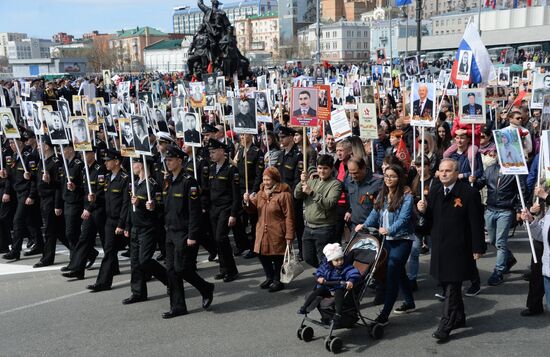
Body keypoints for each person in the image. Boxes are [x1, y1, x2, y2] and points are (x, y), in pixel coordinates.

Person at [417, 158, 486, 342]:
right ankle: (460, 317)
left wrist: (478, 247)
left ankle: (446, 324)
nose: (444, 174)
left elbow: (476, 222)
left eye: (448, 171)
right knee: (448, 284)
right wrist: (422, 211)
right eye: (441, 171)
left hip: (459, 248)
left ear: (456, 173)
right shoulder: (436, 190)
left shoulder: (469, 193)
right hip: (440, 246)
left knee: (452, 286)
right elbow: (430, 220)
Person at [355, 164, 416, 326]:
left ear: (400, 178)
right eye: (387, 176)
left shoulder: (407, 197)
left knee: (392, 273)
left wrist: (389, 230)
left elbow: (403, 220)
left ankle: (385, 314)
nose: (389, 179)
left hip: (402, 240)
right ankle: (409, 302)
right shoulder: (383, 194)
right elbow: (375, 213)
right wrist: (364, 225)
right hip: (387, 240)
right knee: (398, 271)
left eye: (393, 176)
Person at [162, 145, 214, 318]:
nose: (167, 163)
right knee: (171, 270)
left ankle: (205, 287)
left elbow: (194, 211)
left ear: (180, 161)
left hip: (184, 232)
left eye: (170, 160)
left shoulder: (188, 181)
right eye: (166, 160)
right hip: (170, 230)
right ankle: (178, 306)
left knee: (182, 268)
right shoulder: (169, 179)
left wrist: (193, 235)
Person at [122, 156, 168, 305]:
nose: (133, 165)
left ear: (142, 165)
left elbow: (161, 207)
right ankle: (138, 292)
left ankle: (169, 280)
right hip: (135, 227)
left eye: (135, 162)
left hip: (148, 228)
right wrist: (127, 226)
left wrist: (149, 205)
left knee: (144, 260)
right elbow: (130, 209)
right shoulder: (134, 184)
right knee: (135, 262)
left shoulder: (153, 185)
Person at [243, 166, 295, 292]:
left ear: (275, 180)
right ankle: (269, 276)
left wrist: (289, 235)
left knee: (277, 256)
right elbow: (252, 209)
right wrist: (247, 201)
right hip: (262, 230)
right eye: (264, 179)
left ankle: (278, 279)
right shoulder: (260, 193)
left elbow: (289, 216)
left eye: (268, 179)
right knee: (261, 253)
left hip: (277, 230)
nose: (265, 182)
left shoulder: (284, 195)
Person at [86, 149, 129, 292]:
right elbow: (106, 198)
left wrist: (122, 224)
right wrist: (95, 198)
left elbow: (125, 203)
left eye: (108, 160)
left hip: (121, 222)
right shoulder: (108, 177)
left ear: (116, 162)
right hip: (110, 221)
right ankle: (103, 282)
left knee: (138, 255)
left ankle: (153, 274)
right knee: (109, 252)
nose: (105, 162)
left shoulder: (125, 178)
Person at [62, 148, 106, 280]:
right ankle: (78, 269)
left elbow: (100, 193)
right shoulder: (84, 169)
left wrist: (89, 208)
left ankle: (113, 267)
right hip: (89, 210)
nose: (82, 156)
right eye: (81, 153)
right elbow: (84, 190)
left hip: (99, 210)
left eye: (85, 153)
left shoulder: (100, 169)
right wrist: (75, 187)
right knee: (84, 239)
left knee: (106, 242)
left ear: (93, 153)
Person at [295, 154, 342, 268]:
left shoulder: (335, 184)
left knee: (324, 258)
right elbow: (297, 195)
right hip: (308, 227)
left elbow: (329, 204)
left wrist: (312, 193)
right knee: (308, 258)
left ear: (331, 169)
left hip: (324, 228)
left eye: (325, 168)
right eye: (320, 168)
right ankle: (324, 273)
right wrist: (302, 182)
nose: (322, 171)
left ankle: (326, 279)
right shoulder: (312, 181)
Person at [204, 139, 240, 282]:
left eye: (213, 152)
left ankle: (231, 270)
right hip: (214, 209)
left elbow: (236, 194)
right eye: (210, 152)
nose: (211, 155)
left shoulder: (231, 169)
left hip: (226, 208)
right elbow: (208, 190)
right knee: (217, 240)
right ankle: (223, 269)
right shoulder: (212, 169)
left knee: (221, 238)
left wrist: (233, 214)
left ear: (221, 151)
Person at [297, 243, 360, 321]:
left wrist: (350, 281)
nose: (340, 262)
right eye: (336, 260)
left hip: (339, 286)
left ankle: (338, 313)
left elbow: (353, 273)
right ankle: (305, 307)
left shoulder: (346, 267)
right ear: (330, 261)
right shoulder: (326, 266)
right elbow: (319, 271)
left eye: (341, 259)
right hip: (327, 286)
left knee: (339, 293)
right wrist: (319, 277)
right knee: (317, 291)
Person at [33, 137, 68, 267]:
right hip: (43, 199)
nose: (37, 147)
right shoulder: (42, 161)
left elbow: (60, 185)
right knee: (59, 232)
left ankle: (47, 258)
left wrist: (57, 205)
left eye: (39, 144)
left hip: (52, 200)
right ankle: (86, 253)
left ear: (46, 146)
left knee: (49, 231)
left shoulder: (56, 162)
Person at [343, 157, 383, 232]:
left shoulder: (378, 182)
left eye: (355, 173)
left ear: (364, 168)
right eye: (350, 173)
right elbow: (349, 197)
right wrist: (349, 210)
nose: (353, 176)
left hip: (372, 228)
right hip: (355, 226)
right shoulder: (349, 180)